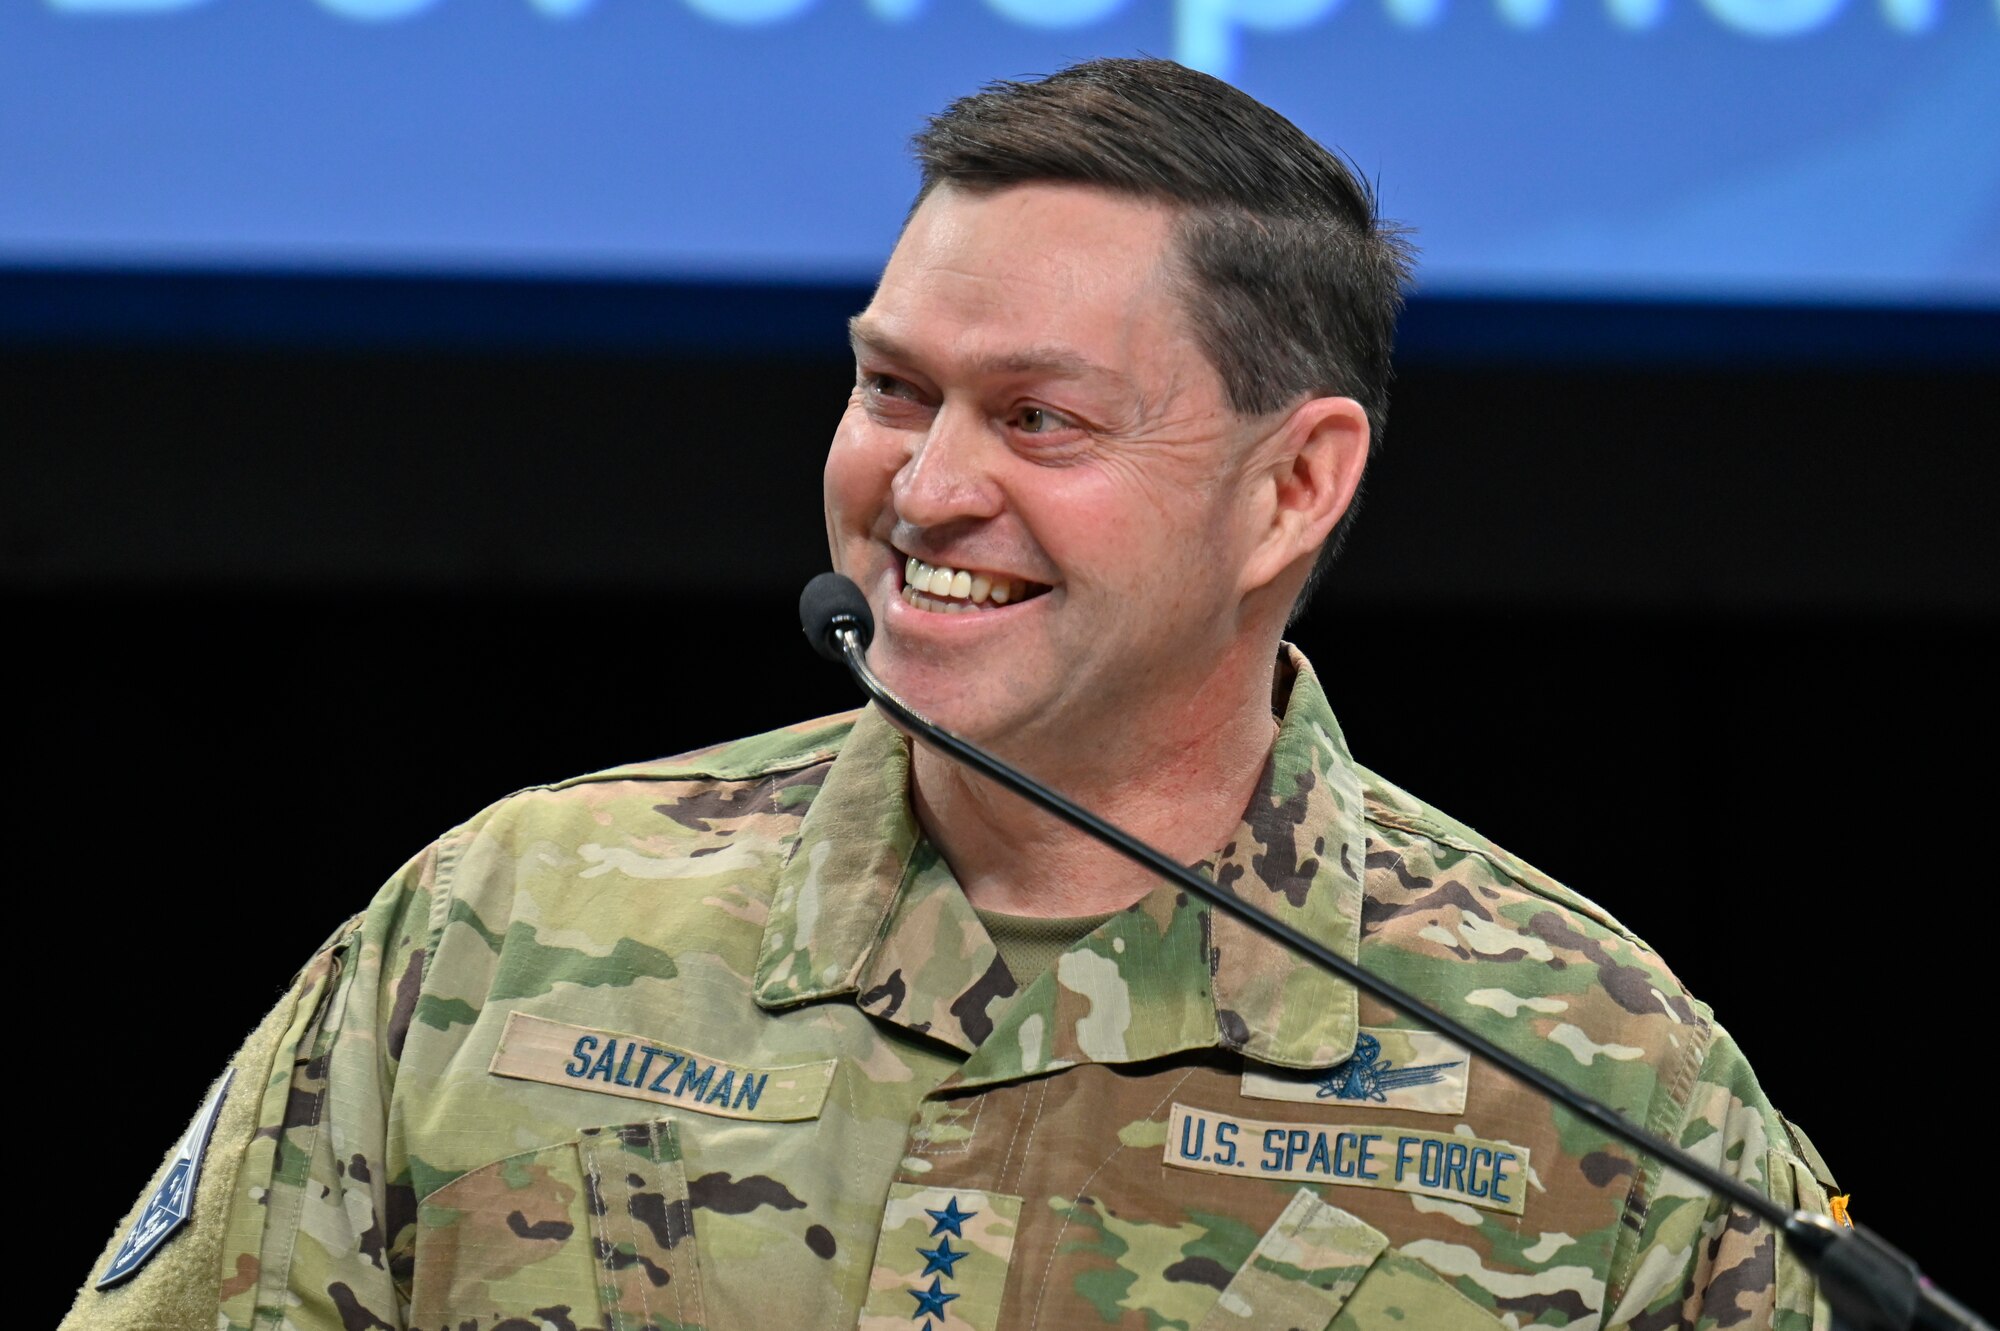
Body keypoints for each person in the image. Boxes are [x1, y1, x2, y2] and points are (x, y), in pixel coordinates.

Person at [65, 58, 1840, 1331]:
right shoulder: (503, 923)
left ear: (1293, 488)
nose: (921, 493)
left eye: (1039, 419)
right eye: (895, 390)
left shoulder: (1588, 1070)